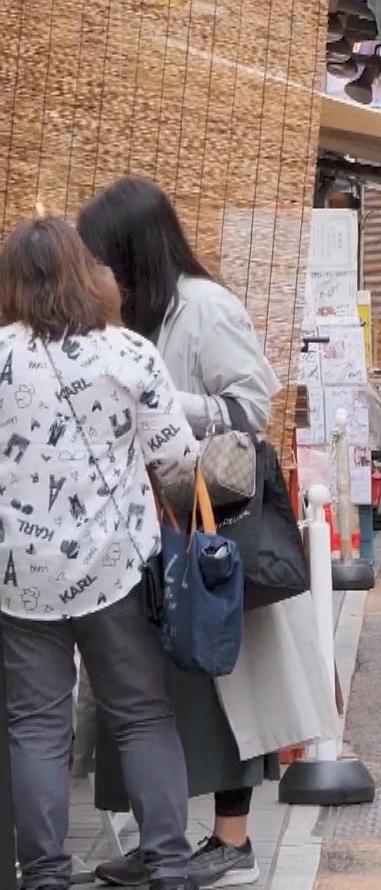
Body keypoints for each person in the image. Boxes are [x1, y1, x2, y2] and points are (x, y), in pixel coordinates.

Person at [79, 178, 324, 890]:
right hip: (153, 526)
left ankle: (232, 839)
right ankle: (167, 841)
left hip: (209, 522)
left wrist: (155, 395)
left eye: (104, 258)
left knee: (223, 680)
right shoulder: (135, 315)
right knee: (160, 688)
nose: (97, 273)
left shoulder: (205, 308)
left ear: (134, 251)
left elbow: (250, 409)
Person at [0, 218, 201, 890]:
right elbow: (176, 460)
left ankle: (47, 872)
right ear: (89, 274)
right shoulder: (130, 354)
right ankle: (170, 862)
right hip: (115, 564)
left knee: (36, 727)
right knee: (142, 713)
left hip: (18, 572)